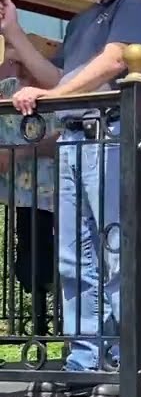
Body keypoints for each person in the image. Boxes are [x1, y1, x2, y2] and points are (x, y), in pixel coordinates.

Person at [0, 0, 141, 372]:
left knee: (114, 252)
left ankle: (120, 359)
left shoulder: (132, 4)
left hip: (110, 140)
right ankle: (84, 360)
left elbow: (116, 60)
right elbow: (55, 78)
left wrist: (55, 97)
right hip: (74, 142)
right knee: (75, 257)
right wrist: (14, 32)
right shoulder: (80, 21)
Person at [0, 63, 59, 338]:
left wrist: (22, 153)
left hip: (60, 192)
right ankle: (39, 328)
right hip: (22, 196)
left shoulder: (59, 85)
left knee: (64, 263)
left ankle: (65, 330)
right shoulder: (7, 91)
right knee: (29, 263)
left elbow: (65, 137)